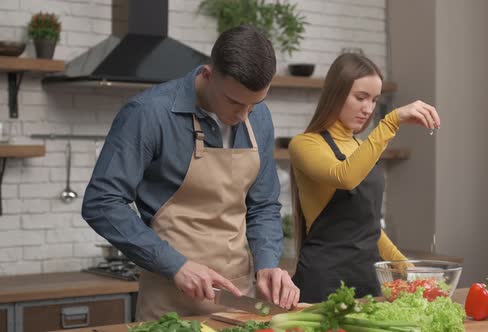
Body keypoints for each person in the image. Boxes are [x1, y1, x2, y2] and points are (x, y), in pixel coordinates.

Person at [82, 25, 299, 321]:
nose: (244, 115)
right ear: (208, 75)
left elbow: (263, 205)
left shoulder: (258, 118)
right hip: (169, 302)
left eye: (255, 103)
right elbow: (102, 201)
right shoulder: (149, 113)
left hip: (238, 301)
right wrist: (176, 265)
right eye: (234, 102)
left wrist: (268, 264)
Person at [288, 53, 440, 303]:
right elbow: (345, 176)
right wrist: (391, 121)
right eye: (360, 97)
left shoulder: (362, 147)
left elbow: (368, 226)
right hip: (323, 284)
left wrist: (407, 267)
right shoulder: (304, 144)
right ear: (336, 93)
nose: (368, 109)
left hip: (368, 280)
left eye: (374, 100)